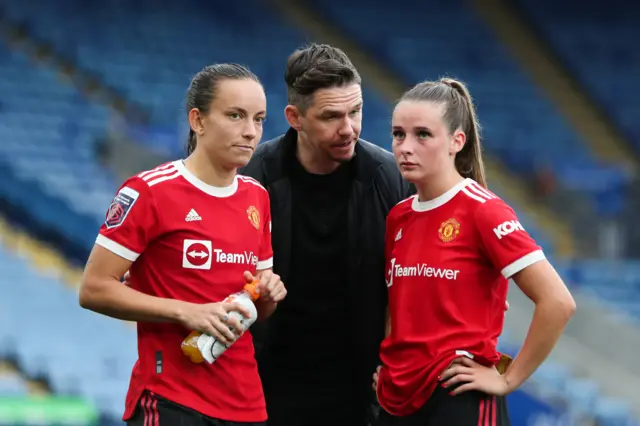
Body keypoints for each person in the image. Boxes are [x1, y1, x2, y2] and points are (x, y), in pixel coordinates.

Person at [78, 63, 287, 426]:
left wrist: (268, 293)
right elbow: (93, 288)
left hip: (246, 404)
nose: (251, 132)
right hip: (171, 399)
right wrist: (185, 311)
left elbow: (255, 306)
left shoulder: (258, 197)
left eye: (259, 119)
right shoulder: (149, 192)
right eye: (235, 116)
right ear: (198, 120)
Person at [373, 78, 576, 426]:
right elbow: (398, 305)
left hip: (458, 398)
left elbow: (558, 302)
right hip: (397, 401)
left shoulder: (484, 211)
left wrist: (507, 379)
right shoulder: (399, 215)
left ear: (457, 141)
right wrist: (390, 367)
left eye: (423, 134)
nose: (405, 147)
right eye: (398, 134)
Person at [238, 44, 414, 426]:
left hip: (359, 395)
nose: (348, 128)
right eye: (332, 116)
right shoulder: (252, 178)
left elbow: (412, 285)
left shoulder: (391, 178)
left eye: (356, 112)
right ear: (294, 117)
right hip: (263, 388)